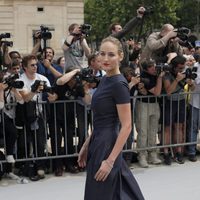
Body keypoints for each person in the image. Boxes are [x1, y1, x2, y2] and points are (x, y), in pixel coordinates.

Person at [78, 36, 144, 200]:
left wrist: (110, 161)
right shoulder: (105, 79)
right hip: (98, 141)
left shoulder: (118, 84)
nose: (105, 59)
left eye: (111, 55)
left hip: (107, 145)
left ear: (121, 56)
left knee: (102, 192)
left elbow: (127, 125)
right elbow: (100, 119)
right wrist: (87, 144)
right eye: (102, 53)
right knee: (112, 191)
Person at [162, 55, 195, 165]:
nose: (182, 70)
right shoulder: (167, 74)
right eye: (180, 68)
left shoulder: (184, 73)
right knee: (167, 128)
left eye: (183, 67)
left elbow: (193, 88)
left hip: (181, 101)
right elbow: (168, 91)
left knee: (179, 127)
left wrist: (191, 84)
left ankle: (179, 152)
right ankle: (166, 153)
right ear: (174, 67)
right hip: (170, 102)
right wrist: (177, 80)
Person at [135, 60, 164, 168]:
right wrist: (160, 78)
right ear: (146, 69)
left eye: (154, 66)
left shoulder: (156, 75)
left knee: (153, 130)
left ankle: (152, 154)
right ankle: (142, 155)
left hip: (155, 104)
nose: (154, 69)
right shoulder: (144, 77)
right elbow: (157, 92)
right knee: (143, 131)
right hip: (143, 105)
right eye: (151, 67)